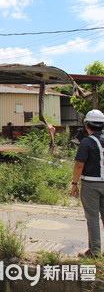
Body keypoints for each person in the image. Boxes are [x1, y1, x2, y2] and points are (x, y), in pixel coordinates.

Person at [71, 109, 104, 257]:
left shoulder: (87, 142)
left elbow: (79, 165)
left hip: (91, 184)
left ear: (87, 125)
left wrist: (74, 183)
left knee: (92, 218)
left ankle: (95, 251)